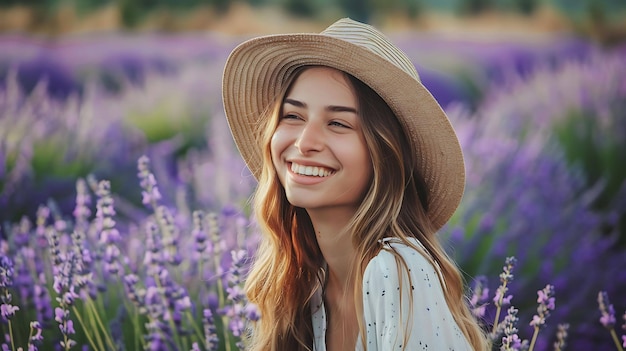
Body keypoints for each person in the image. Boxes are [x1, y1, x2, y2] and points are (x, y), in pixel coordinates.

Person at [222, 18, 489, 351]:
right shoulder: (309, 284)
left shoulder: (397, 273)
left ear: (384, 155)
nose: (305, 143)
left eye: (338, 123)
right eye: (293, 116)